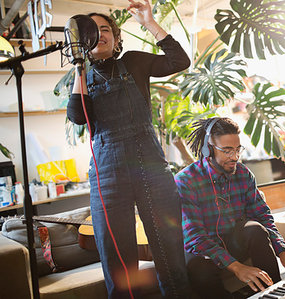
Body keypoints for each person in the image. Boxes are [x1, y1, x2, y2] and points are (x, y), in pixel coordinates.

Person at [67, 1, 191, 298]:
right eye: (92, 31)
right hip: (107, 177)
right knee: (117, 259)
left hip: (150, 166)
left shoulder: (134, 62)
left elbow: (179, 61)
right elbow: (77, 116)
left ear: (116, 37)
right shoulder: (81, 77)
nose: (100, 34)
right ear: (82, 40)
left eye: (105, 29)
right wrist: (78, 65)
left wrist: (149, 22)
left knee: (169, 247)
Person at [175, 117, 285, 298]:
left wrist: (282, 250)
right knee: (200, 269)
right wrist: (237, 267)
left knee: (255, 229)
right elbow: (195, 237)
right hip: (201, 249)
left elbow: (262, 215)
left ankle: (276, 293)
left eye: (237, 149)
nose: (234, 157)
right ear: (208, 149)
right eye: (227, 151)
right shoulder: (186, 180)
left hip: (232, 241)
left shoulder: (243, 174)